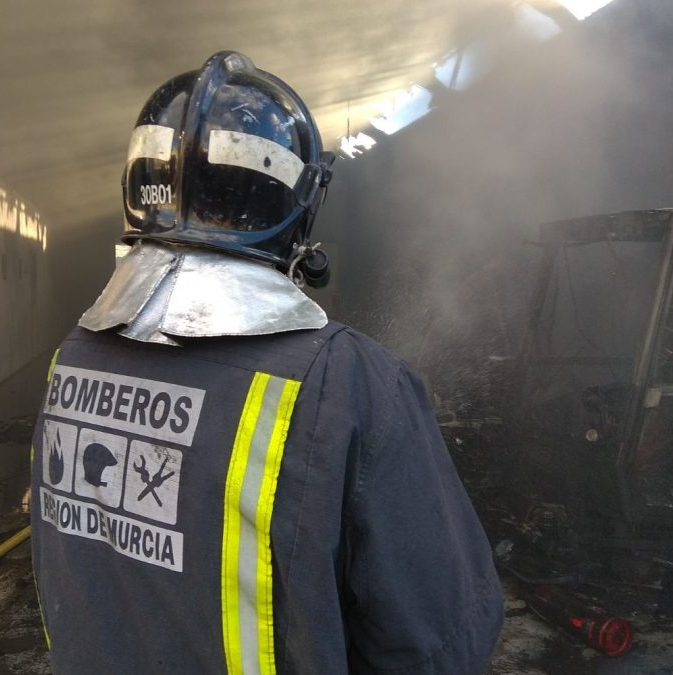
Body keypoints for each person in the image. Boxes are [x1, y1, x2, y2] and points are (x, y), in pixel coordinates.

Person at [30, 51, 503, 674]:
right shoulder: (352, 383)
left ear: (137, 189)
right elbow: (439, 644)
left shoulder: (74, 357)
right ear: (294, 204)